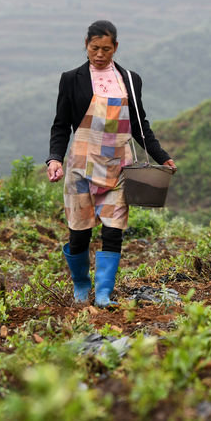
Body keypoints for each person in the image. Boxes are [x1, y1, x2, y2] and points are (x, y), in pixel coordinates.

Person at [47, 20, 176, 307]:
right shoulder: (72, 79)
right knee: (79, 231)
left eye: (106, 49)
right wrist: (54, 157)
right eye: (95, 48)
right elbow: (61, 125)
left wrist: (161, 156)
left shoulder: (130, 79)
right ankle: (81, 286)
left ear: (115, 47)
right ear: (86, 45)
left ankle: (104, 293)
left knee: (113, 229)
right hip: (81, 165)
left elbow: (139, 125)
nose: (100, 54)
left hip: (119, 166)